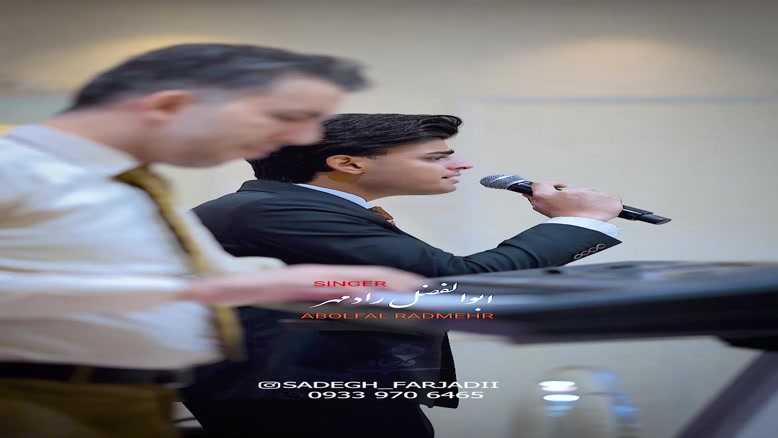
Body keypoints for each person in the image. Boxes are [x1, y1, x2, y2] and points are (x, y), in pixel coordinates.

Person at [0, 47, 426, 438]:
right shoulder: (14, 167)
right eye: (284, 117)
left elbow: (207, 278)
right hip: (36, 398)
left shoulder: (126, 183)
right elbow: (195, 287)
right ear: (169, 105)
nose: (299, 138)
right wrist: (197, 291)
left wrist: (316, 283)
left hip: (131, 396)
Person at [180, 113, 625, 437]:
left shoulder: (283, 206)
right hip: (298, 398)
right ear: (348, 164)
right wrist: (580, 222)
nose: (460, 165)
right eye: (436, 157)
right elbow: (452, 280)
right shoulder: (274, 211)